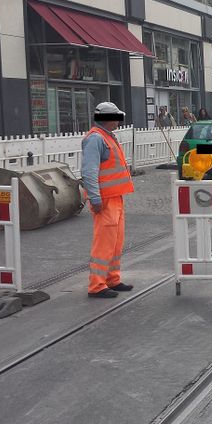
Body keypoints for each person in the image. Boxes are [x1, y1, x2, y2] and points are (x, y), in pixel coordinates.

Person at [81, 102, 135, 298]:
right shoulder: (96, 139)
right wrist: (95, 199)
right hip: (104, 200)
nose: (119, 121)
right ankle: (97, 285)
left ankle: (112, 279)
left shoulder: (106, 137)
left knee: (115, 242)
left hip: (115, 198)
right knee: (104, 243)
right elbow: (88, 172)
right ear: (107, 119)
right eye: (116, 117)